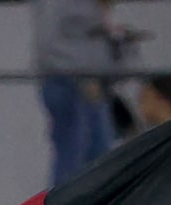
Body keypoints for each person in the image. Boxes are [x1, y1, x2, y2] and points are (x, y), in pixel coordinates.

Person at [33, 0, 128, 188]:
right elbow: (48, 46)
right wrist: (83, 77)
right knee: (73, 157)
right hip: (68, 85)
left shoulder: (98, 10)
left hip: (96, 88)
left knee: (100, 158)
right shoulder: (60, 6)